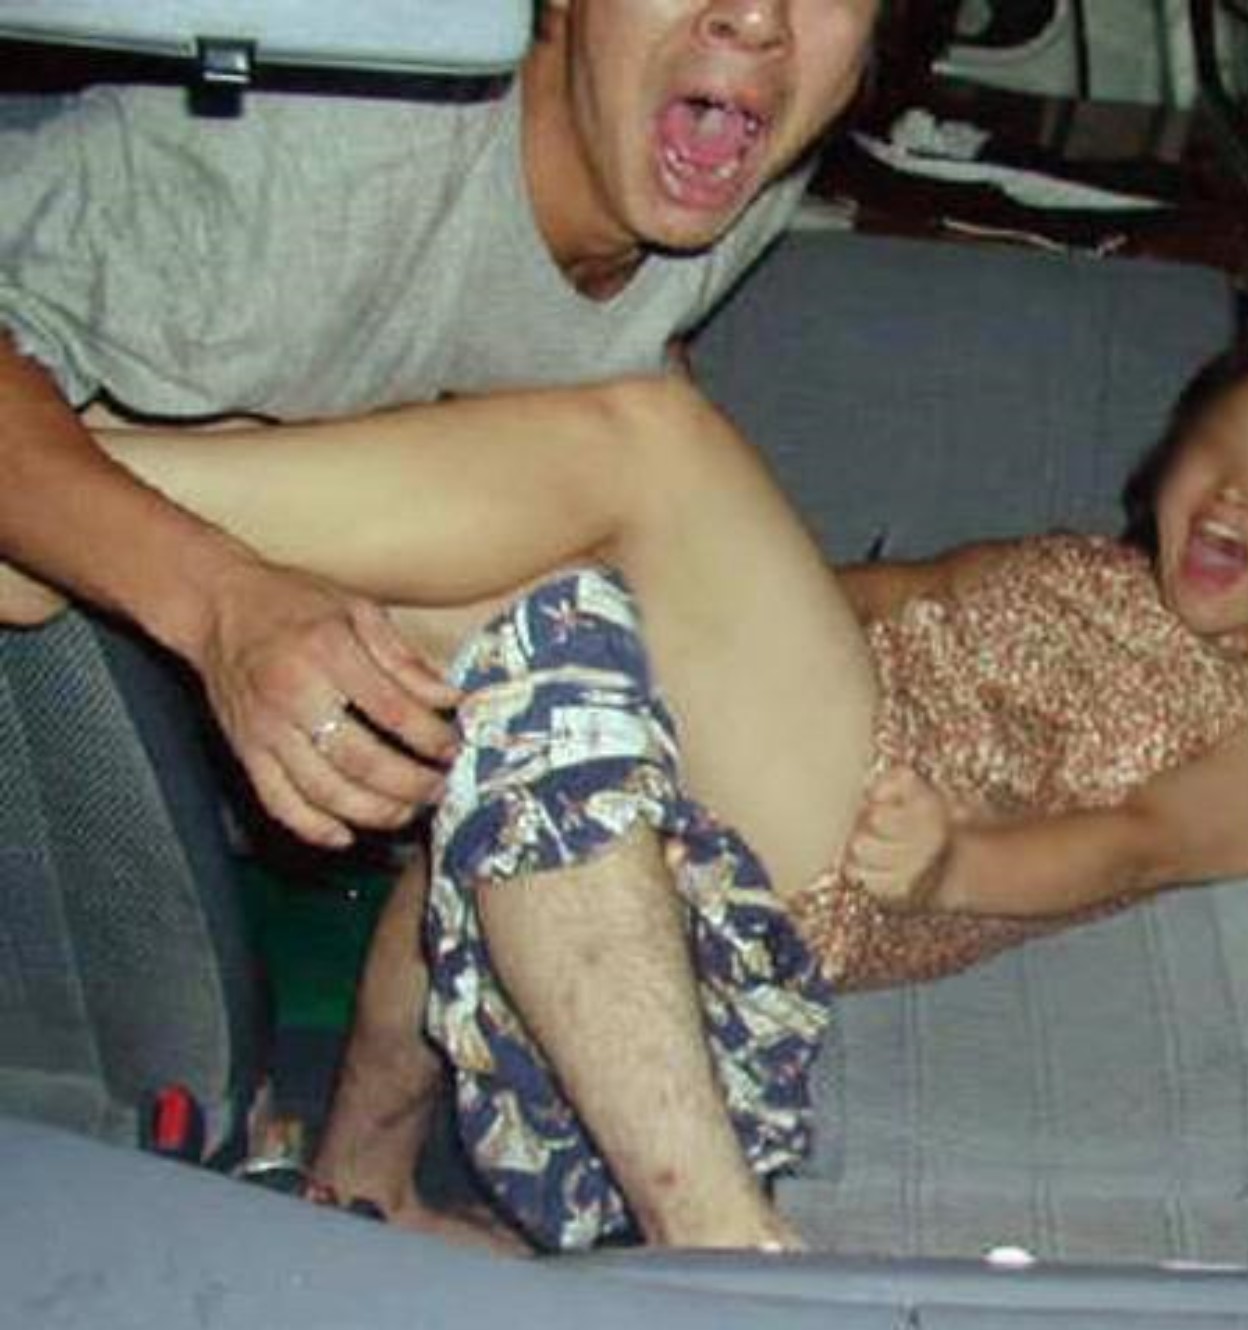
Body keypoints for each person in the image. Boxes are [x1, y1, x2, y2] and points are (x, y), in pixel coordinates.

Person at [1, 337, 1248, 1251]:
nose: (1237, 490)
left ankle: (68, 493)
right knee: (521, 658)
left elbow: (1141, 843)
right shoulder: (1077, 566)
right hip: (807, 722)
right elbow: (874, 596)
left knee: (651, 435)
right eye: (1220, 449)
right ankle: (366, 1173)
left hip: (859, 832)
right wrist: (708, 596)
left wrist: (959, 864)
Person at [0, 0, 882, 1248]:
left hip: (735, 832)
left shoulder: (735, 175)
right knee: (607, 529)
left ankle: (365, 1182)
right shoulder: (308, 156)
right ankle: (729, 1255)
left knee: (582, 586)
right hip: (123, 619)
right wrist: (220, 596)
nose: (757, 16)